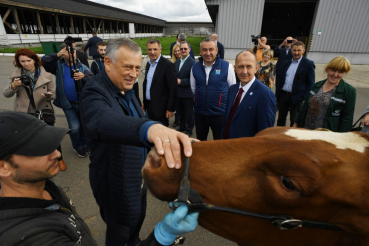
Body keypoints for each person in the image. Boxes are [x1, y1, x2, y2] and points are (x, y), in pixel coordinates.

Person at [0, 111, 199, 246]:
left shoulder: (41, 184)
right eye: (40, 149)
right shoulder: (36, 238)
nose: (57, 154)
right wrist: (162, 236)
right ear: (3, 167)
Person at [79, 37, 195, 245]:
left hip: (136, 178)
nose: (133, 74)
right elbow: (103, 120)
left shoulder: (128, 88)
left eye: (136, 67)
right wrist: (150, 128)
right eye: (127, 67)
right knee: (120, 232)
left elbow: (138, 118)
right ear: (107, 62)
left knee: (136, 221)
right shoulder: (94, 91)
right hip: (116, 184)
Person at [2, 48, 67, 171]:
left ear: (34, 60)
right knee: (28, 138)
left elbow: (54, 94)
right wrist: (13, 86)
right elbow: (6, 94)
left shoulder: (46, 75)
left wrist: (48, 95)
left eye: (28, 60)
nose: (26, 64)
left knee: (51, 136)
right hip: (24, 112)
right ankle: (36, 161)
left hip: (43, 110)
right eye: (22, 61)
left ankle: (60, 159)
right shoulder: (16, 76)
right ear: (18, 62)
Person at [41, 43, 94, 158]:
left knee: (84, 126)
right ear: (62, 54)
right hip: (68, 104)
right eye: (67, 51)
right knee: (75, 128)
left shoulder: (82, 67)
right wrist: (57, 55)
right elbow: (43, 61)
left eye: (72, 51)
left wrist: (83, 77)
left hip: (83, 104)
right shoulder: (58, 66)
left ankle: (85, 144)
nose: (71, 53)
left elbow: (93, 81)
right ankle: (77, 146)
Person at [221, 51, 276, 139]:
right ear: (235, 68)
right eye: (241, 67)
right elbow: (227, 120)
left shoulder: (265, 94)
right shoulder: (232, 89)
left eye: (249, 66)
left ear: (256, 68)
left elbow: (265, 133)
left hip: (246, 149)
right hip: (227, 143)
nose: (244, 71)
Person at [293, 56, 356, 132]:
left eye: (340, 72)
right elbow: (305, 107)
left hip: (326, 135)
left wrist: (342, 138)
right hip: (306, 131)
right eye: (333, 70)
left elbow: (347, 118)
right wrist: (296, 124)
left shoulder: (349, 91)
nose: (335, 74)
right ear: (327, 69)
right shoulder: (317, 85)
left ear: (344, 73)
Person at [190, 38, 236, 141]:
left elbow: (232, 89)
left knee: (219, 143)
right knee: (201, 142)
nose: (208, 53)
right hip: (200, 113)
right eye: (204, 50)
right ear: (200, 51)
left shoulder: (226, 66)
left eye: (211, 49)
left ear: (216, 50)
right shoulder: (195, 67)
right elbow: (193, 88)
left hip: (219, 114)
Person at [275, 41, 315, 127]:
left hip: (297, 97)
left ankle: (291, 138)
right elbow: (281, 79)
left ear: (303, 50)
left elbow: (311, 82)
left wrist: (303, 97)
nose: (296, 53)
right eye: (294, 50)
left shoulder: (308, 64)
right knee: (281, 118)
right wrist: (278, 95)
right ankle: (279, 136)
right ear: (291, 51)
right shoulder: (288, 62)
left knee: (294, 120)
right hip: (283, 95)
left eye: (299, 50)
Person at [143, 39, 177, 127]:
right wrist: (144, 101)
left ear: (160, 49)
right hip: (149, 106)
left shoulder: (167, 65)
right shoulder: (148, 64)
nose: (152, 52)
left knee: (162, 133)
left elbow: (173, 88)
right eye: (149, 49)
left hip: (161, 108)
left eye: (155, 49)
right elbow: (147, 84)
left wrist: (170, 108)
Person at [175, 41, 196, 137]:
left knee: (189, 113)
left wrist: (181, 82)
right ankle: (182, 126)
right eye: (181, 49)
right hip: (178, 93)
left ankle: (189, 129)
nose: (183, 50)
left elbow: (194, 79)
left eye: (185, 49)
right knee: (180, 112)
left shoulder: (193, 63)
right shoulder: (177, 61)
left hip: (187, 93)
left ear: (189, 50)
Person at [171, 43, 182, 127]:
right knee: (176, 104)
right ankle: (177, 120)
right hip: (175, 87)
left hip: (183, 86)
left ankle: (183, 121)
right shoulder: (173, 63)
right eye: (175, 51)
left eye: (179, 50)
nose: (177, 52)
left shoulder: (186, 61)